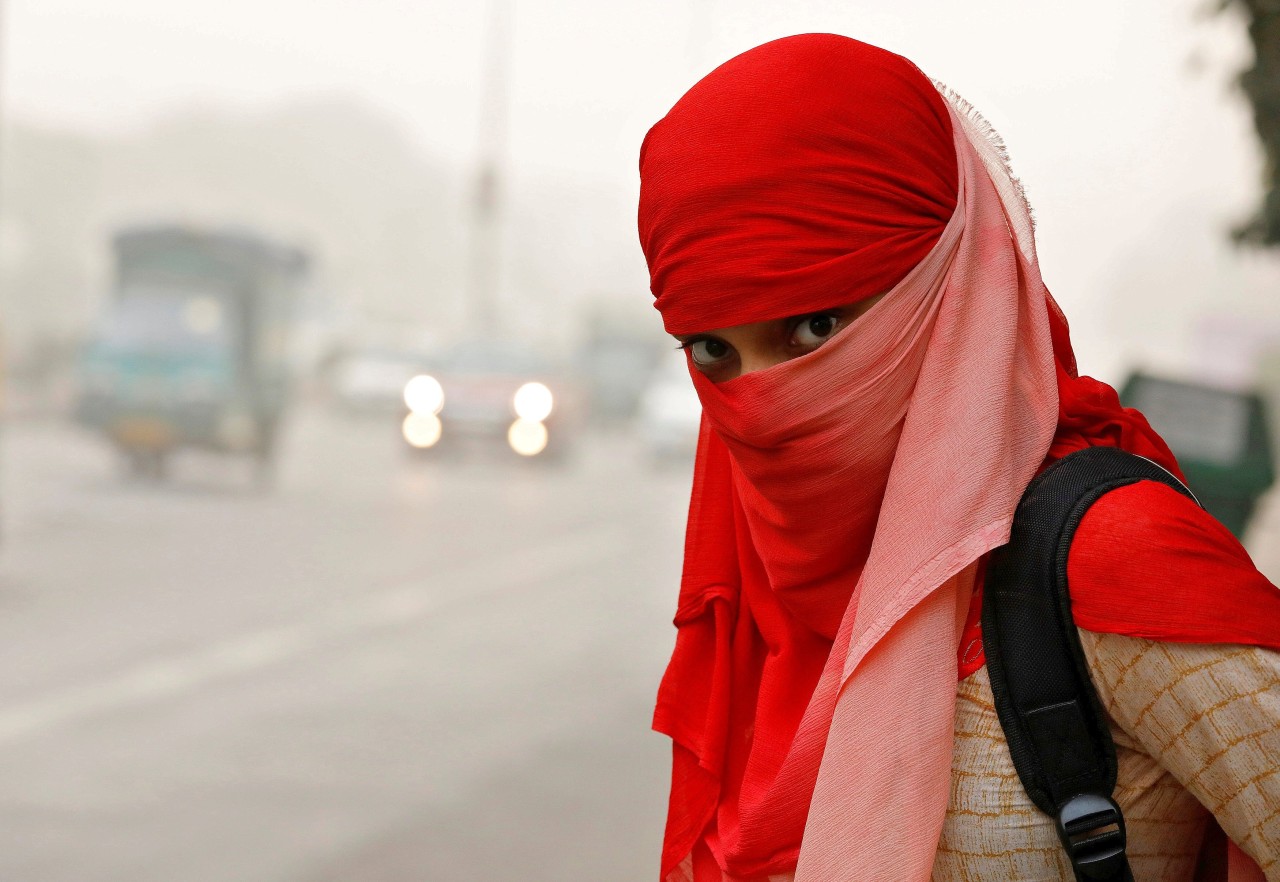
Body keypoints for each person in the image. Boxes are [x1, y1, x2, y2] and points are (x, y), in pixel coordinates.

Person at [636, 33, 1280, 882]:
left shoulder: (1111, 559)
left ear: (948, 281)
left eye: (818, 328)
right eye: (714, 350)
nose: (762, 401)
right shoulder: (765, 597)